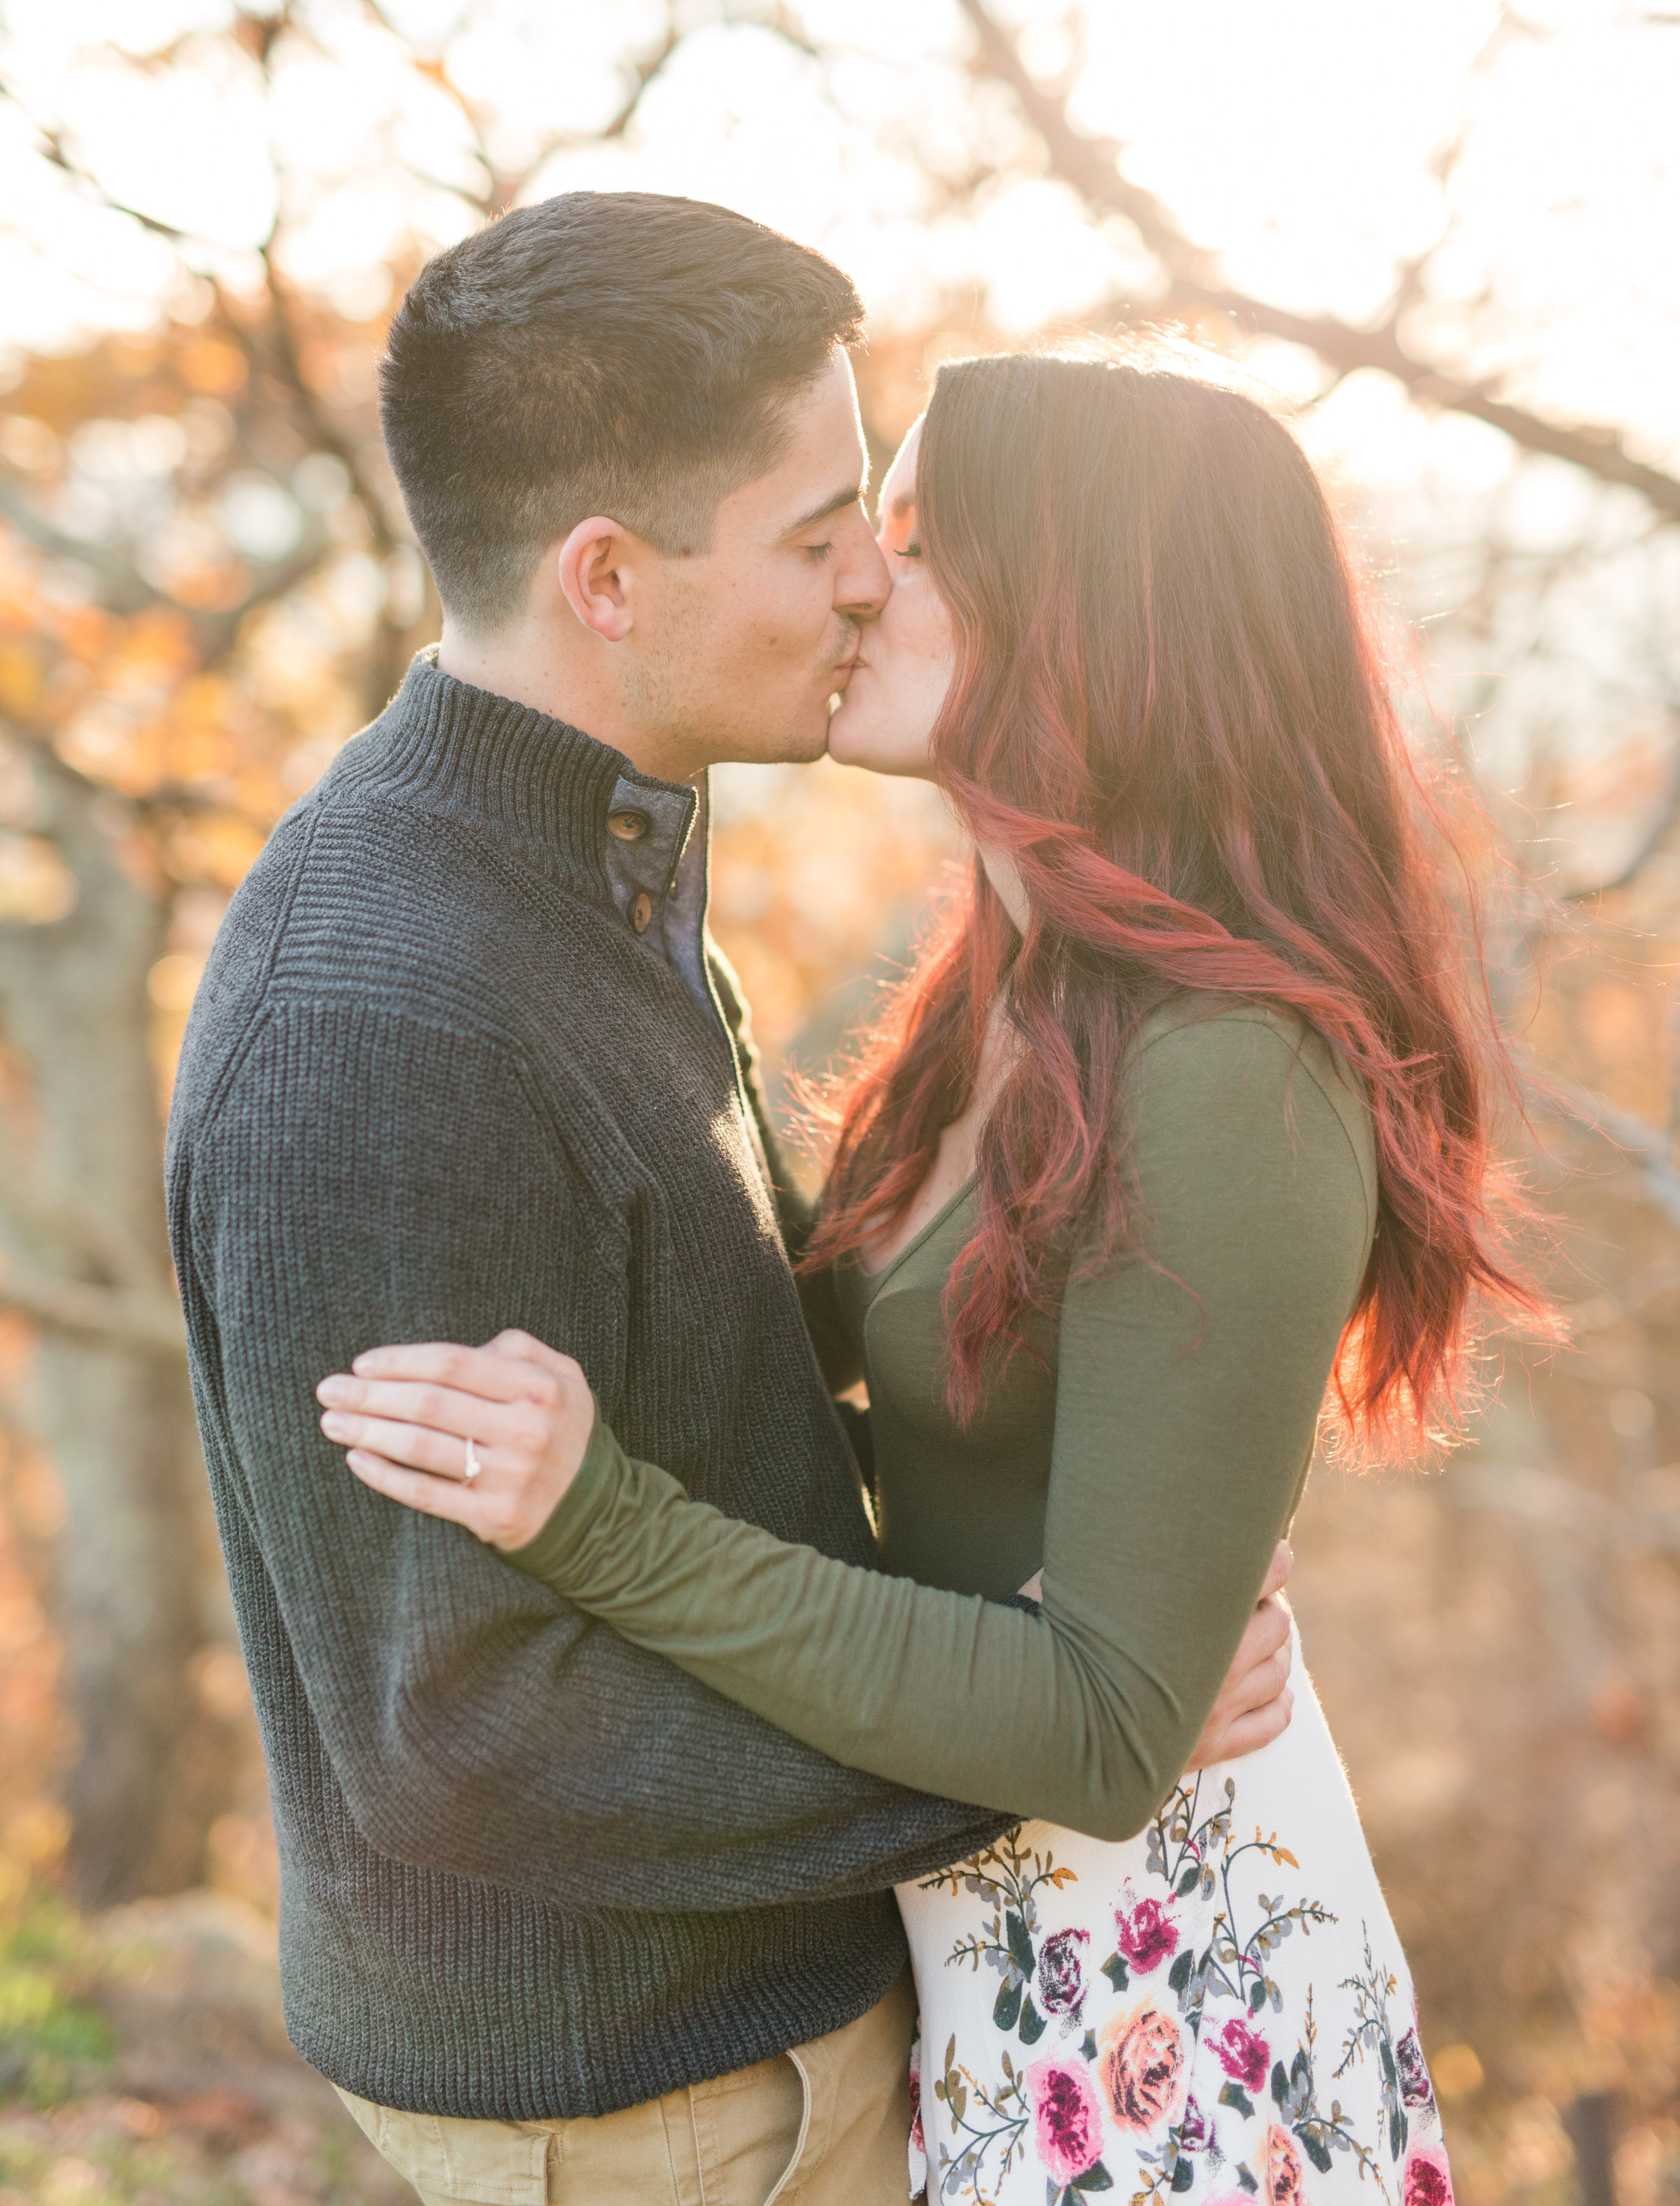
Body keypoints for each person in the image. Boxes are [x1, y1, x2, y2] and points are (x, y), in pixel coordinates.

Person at [166, 194, 1293, 2206]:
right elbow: (461, 1732)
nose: (868, 581)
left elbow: (728, 1393)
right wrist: (1031, 1745)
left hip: (778, 2023)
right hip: (656, 2103)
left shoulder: (600, 875)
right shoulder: (387, 1016)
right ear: (607, 577)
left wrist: (1086, 1634)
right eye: (821, 531)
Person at [319, 348, 1528, 2206]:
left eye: (918, 536)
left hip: (1159, 1995)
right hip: (989, 1932)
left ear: (1088, 615)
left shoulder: (1228, 1071)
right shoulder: (1017, 1000)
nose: (864, 580)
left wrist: (601, 1521)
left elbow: (1107, 1730)